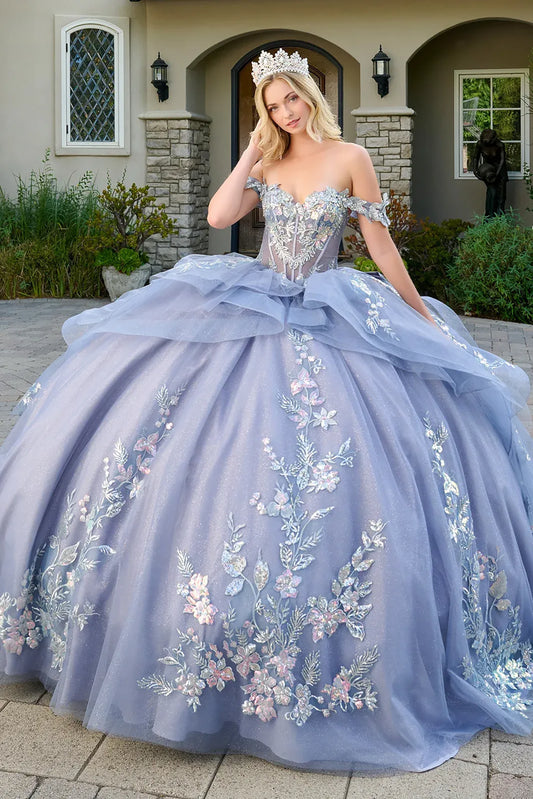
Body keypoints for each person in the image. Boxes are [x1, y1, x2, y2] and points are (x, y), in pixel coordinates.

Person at [0, 48, 532, 774]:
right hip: (252, 300)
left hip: (326, 308)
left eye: (291, 99)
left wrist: (419, 315)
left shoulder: (349, 157)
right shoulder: (267, 158)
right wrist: (251, 151)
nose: (285, 111)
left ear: (311, 95)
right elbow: (221, 215)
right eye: (272, 104)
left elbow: (377, 246)